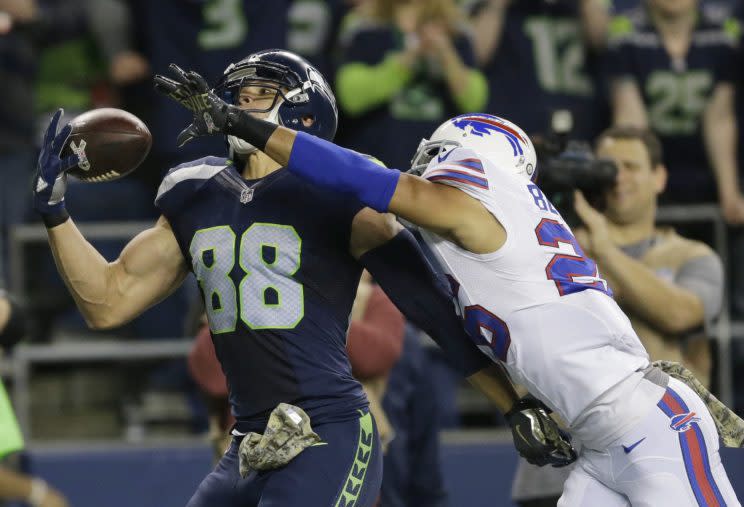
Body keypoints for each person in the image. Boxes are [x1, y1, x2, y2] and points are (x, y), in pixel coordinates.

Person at [35, 49, 572, 506]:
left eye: (256, 96)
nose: (236, 107)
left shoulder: (341, 193)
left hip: (328, 429)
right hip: (249, 440)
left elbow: (431, 307)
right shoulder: (193, 192)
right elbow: (107, 301)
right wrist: (56, 211)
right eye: (235, 97)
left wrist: (513, 402)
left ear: (307, 115)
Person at [163, 81, 740, 502]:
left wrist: (244, 123)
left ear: (474, 157)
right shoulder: (498, 215)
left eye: (438, 154)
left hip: (648, 426)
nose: (426, 167)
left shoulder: (474, 208)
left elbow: (363, 178)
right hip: (595, 443)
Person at [511, 126, 726, 506]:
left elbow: (680, 314)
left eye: (631, 166)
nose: (618, 178)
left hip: (653, 458)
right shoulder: (553, 251)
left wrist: (604, 250)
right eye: (608, 167)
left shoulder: (691, 256)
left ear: (659, 177)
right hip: (554, 464)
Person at [605, 0, 742, 220]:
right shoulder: (626, 33)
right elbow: (631, 120)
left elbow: (719, 118)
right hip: (654, 168)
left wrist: (729, 191)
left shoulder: (722, 34)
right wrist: (639, 185)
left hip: (704, 171)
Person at [334, 0, 488, 168]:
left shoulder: (456, 31)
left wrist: (446, 54)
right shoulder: (365, 27)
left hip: (437, 164)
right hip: (376, 160)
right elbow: (351, 97)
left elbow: (474, 102)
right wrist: (408, 59)